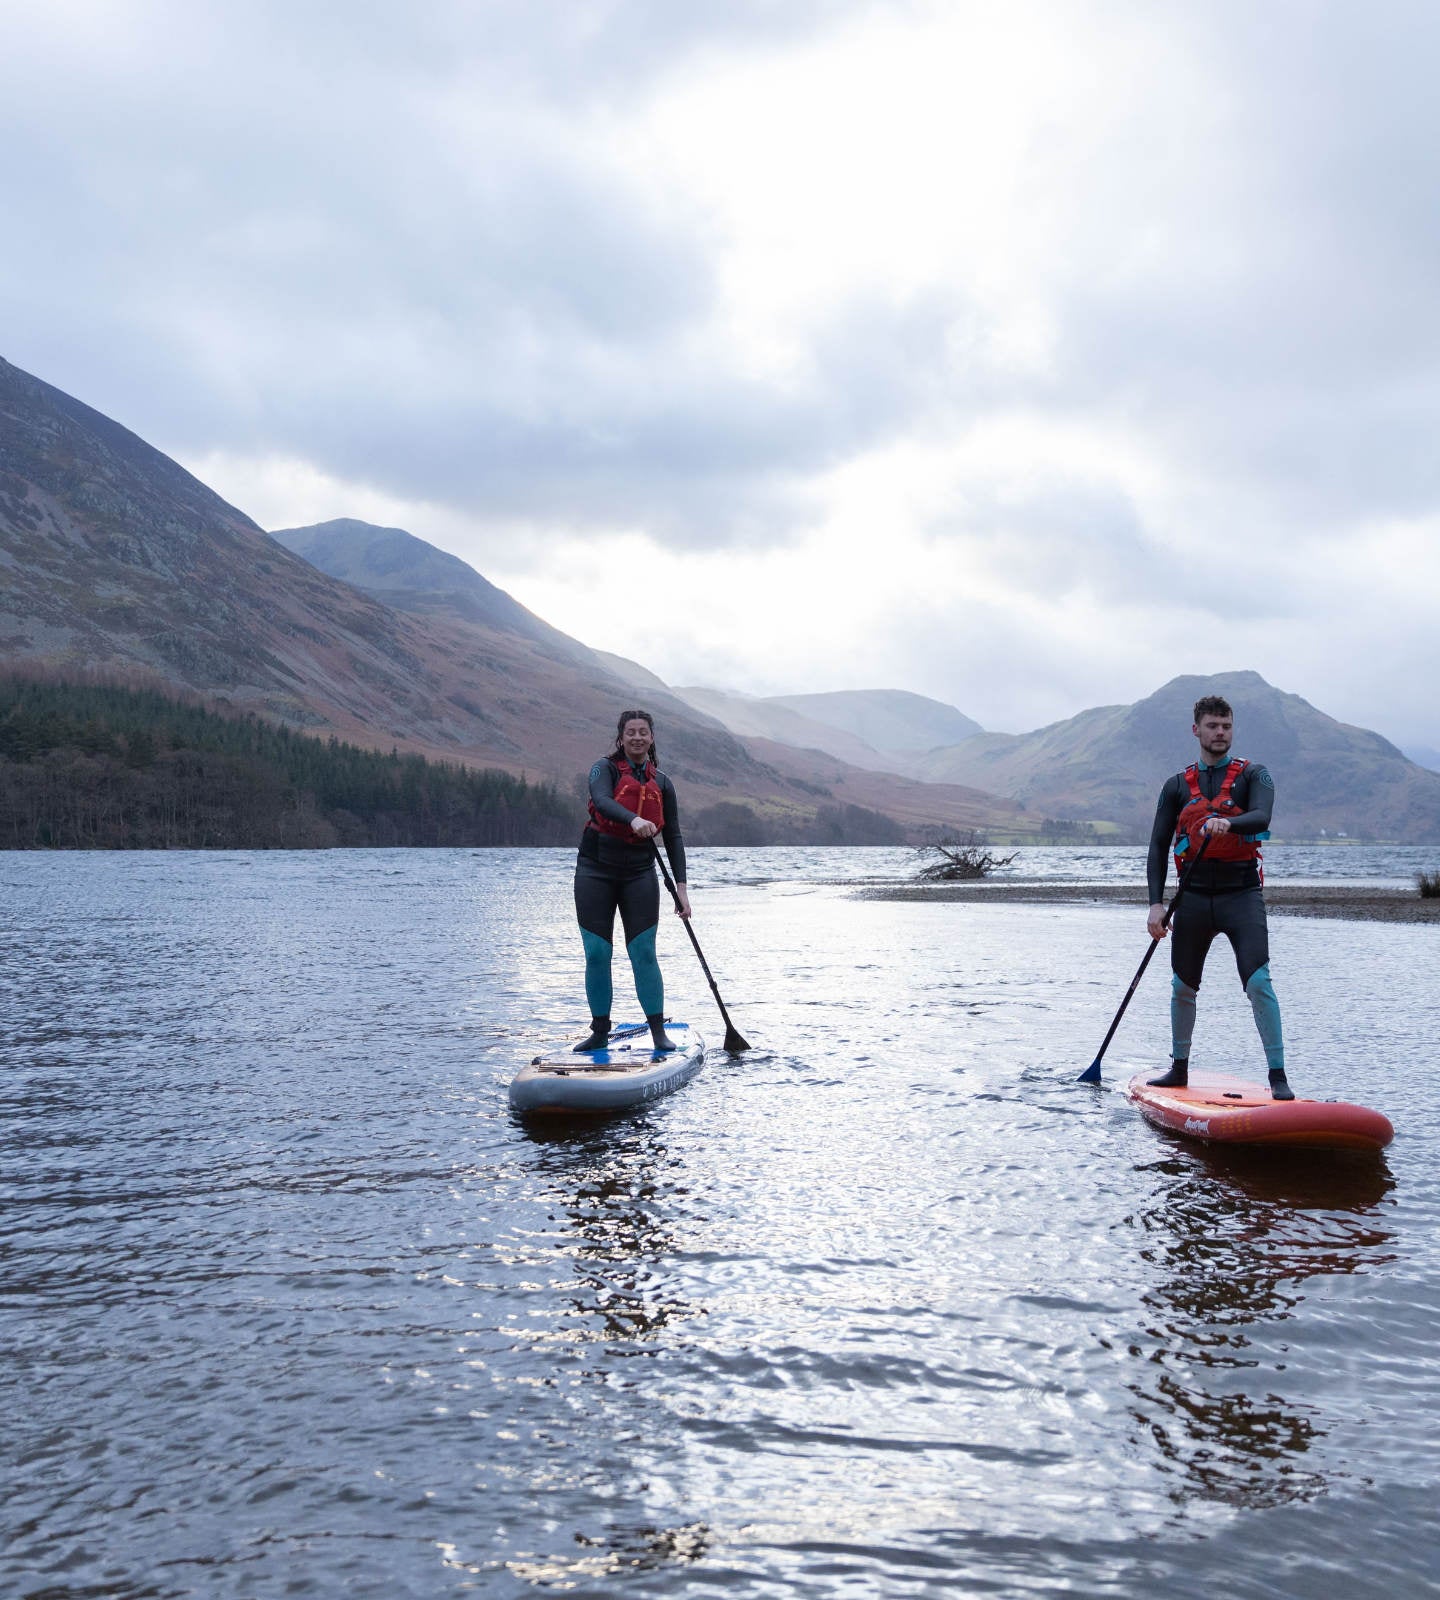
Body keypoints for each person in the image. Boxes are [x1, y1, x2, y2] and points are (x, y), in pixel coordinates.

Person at [1144, 694, 1293, 1100]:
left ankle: (1278, 1076)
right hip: (1191, 899)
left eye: (1226, 726)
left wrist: (1227, 821)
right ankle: (1178, 1070)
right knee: (1181, 986)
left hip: (1241, 895)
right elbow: (1158, 846)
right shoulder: (1176, 786)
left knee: (1259, 981)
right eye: (1212, 726)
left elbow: (1262, 817)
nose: (1220, 733)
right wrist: (1157, 904)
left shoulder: (1254, 776)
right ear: (1197, 730)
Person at [573, 709, 691, 1053]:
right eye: (631, 732)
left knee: (643, 952)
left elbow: (674, 837)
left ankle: (657, 1031)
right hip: (595, 868)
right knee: (597, 952)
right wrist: (634, 819)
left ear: (651, 738)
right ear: (621, 738)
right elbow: (602, 801)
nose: (637, 737)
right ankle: (599, 1031)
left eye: (643, 732)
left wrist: (681, 889)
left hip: (639, 872)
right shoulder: (603, 769)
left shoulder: (664, 783)